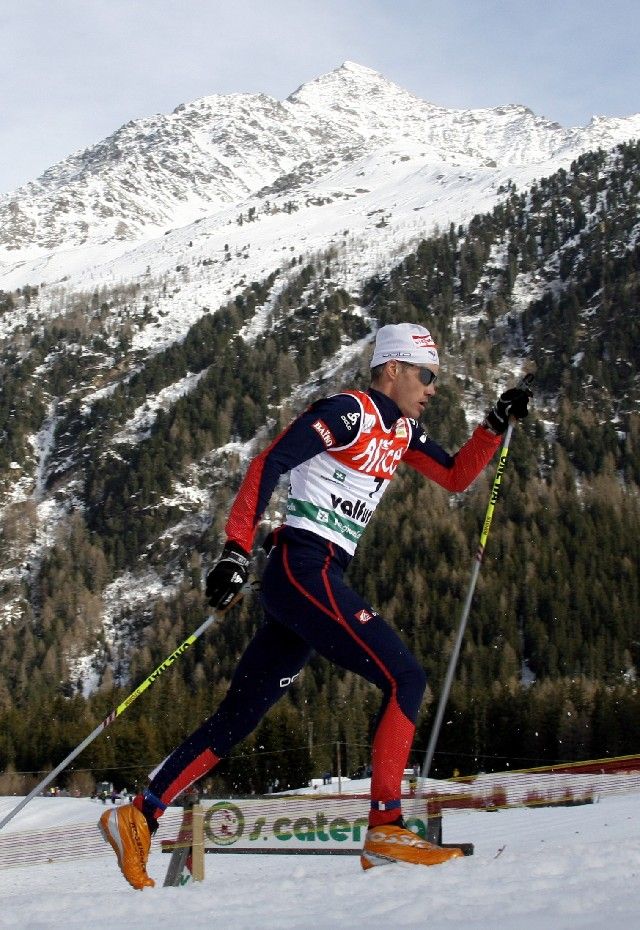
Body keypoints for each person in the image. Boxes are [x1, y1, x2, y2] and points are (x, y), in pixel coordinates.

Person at [99, 322, 531, 888]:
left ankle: (139, 814)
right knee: (406, 679)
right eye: (425, 376)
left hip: (313, 577)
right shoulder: (349, 411)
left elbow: (455, 476)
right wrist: (235, 549)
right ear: (393, 369)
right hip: (303, 566)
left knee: (239, 717)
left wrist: (495, 424)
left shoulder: (403, 430)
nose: (432, 389)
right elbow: (269, 462)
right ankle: (386, 828)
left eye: (437, 380)